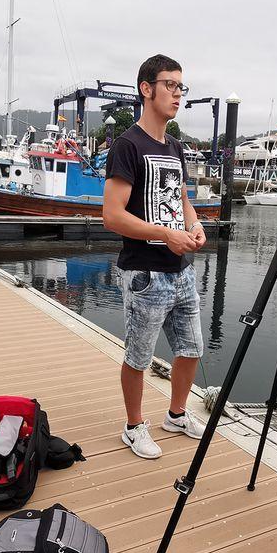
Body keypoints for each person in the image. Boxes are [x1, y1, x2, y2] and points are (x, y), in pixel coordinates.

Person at [103, 54, 207, 459]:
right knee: (139, 356)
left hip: (181, 270)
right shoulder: (128, 145)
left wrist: (194, 226)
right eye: (170, 85)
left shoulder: (176, 147)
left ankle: (177, 414)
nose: (178, 94)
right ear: (146, 89)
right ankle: (133, 426)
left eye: (182, 86)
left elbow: (182, 199)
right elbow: (112, 215)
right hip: (146, 273)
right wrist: (165, 234)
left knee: (192, 348)